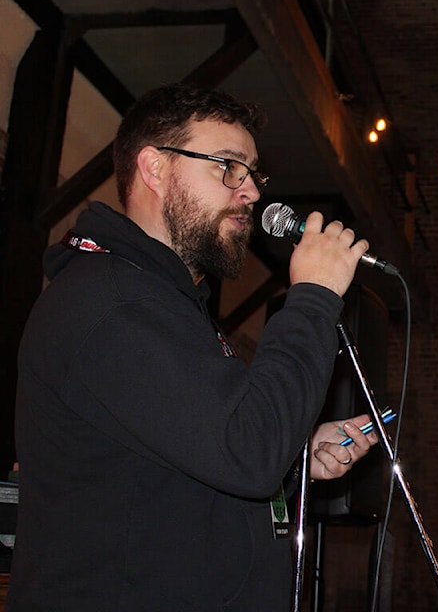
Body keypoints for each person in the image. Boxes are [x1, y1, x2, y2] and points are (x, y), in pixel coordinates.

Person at [9, 83, 379, 611]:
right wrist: (313, 299)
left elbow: (190, 462)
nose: (250, 191)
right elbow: (246, 450)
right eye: (227, 165)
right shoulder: (110, 304)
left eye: (252, 173)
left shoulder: (166, 305)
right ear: (155, 168)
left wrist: (295, 452)